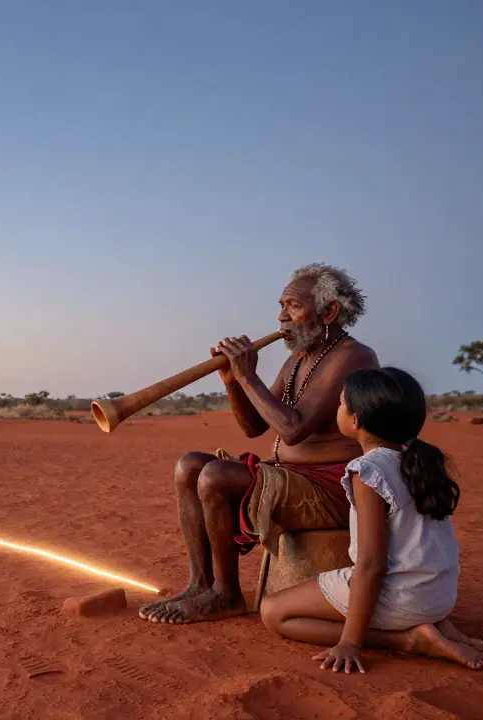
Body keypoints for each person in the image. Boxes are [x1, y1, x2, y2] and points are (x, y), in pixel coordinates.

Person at [140, 263, 379, 624]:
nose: (281, 316)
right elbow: (253, 428)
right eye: (281, 305)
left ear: (329, 312)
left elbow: (293, 429)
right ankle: (201, 584)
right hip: (293, 476)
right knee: (190, 464)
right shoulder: (299, 358)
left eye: (293, 306)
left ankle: (226, 595)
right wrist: (232, 381)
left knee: (216, 475)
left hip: (332, 486)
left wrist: (248, 374)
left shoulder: (352, 357)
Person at [258, 367, 483, 672]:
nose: (338, 410)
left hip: (402, 599)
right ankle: (435, 626)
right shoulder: (418, 461)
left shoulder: (368, 470)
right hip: (438, 598)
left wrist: (350, 642)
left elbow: (372, 564)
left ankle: (406, 640)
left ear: (355, 421)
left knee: (273, 611)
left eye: (341, 404)